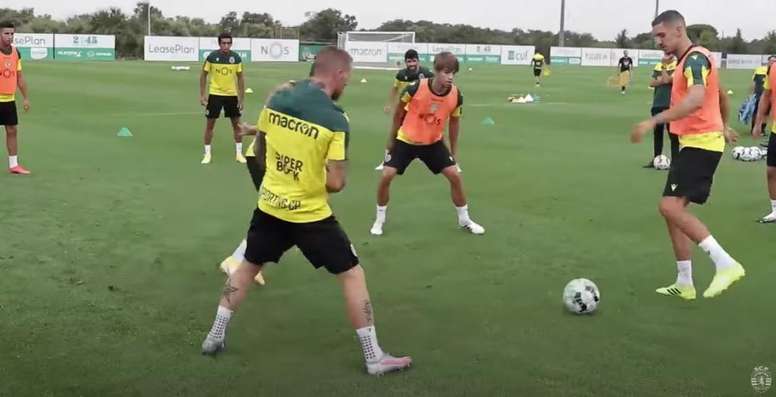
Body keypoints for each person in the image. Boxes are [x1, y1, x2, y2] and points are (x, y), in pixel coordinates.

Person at [200, 47, 412, 376]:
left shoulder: (278, 98)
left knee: (245, 268)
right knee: (352, 274)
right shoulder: (335, 118)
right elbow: (337, 182)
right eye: (349, 77)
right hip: (311, 216)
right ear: (339, 74)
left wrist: (279, 178)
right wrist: (312, 178)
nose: (349, 83)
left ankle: (214, 336)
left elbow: (260, 151)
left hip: (270, 205)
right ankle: (373, 357)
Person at [630, 10, 744, 300]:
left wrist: (653, 120)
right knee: (673, 213)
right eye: (656, 36)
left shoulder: (695, 58)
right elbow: (718, 97)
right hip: (690, 143)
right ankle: (685, 282)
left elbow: (695, 100)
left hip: (701, 144)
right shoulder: (685, 62)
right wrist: (725, 125)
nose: (658, 41)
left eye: (662, 35)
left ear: (679, 30)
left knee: (670, 207)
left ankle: (726, 264)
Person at [370, 52, 485, 236]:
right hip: (405, 140)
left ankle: (464, 219)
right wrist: (391, 141)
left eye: (453, 73)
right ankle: (380, 219)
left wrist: (454, 153)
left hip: (433, 143)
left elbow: (455, 123)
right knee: (386, 176)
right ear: (436, 71)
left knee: (455, 176)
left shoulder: (456, 95)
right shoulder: (414, 88)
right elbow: (398, 114)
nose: (450, 77)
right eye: (446, 72)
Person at [216, 83, 300, 286]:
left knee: (281, 218)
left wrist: (249, 130)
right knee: (279, 217)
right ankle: (238, 261)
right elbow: (271, 129)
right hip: (261, 160)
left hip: (266, 161)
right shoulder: (289, 103)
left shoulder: (290, 103)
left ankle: (248, 262)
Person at [376, 49, 434, 171]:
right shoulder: (401, 75)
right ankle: (386, 160)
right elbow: (394, 89)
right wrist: (389, 104)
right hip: (404, 110)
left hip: (421, 111)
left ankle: (425, 158)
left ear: (418, 61)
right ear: (405, 62)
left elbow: (434, 89)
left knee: (426, 134)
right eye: (409, 61)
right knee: (394, 134)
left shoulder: (427, 73)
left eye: (414, 61)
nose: (412, 64)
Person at [199, 32, 246, 165]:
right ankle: (207, 153)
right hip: (215, 94)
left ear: (231, 44)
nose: (226, 45)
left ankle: (239, 153)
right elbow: (203, 75)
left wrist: (241, 99)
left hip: (232, 95)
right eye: (223, 43)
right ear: (219, 43)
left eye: (228, 43)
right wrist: (202, 95)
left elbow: (241, 77)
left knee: (237, 125)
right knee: (210, 125)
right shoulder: (212, 57)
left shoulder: (236, 58)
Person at [0, 21, 31, 175]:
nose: (10, 36)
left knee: (12, 130)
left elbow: (19, 77)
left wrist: (25, 98)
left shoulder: (16, 52)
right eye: (6, 33)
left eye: (12, 34)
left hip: (8, 100)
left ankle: (14, 165)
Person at [752, 55, 776, 223]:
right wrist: (758, 122)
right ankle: (775, 210)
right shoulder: (773, 69)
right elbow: (766, 96)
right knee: (771, 171)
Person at [644, 54, 679, 167]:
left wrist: (663, 70)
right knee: (657, 133)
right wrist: (662, 80)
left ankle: (676, 162)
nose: (666, 55)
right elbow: (651, 83)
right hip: (657, 104)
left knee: (672, 134)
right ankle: (656, 159)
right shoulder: (658, 65)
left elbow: (667, 80)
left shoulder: (677, 65)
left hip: (671, 104)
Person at [751, 56, 775, 140]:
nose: (773, 62)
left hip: (768, 97)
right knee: (757, 112)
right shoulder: (767, 70)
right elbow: (754, 82)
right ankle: (756, 127)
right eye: (771, 61)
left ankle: (763, 129)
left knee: (766, 114)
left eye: (774, 60)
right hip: (759, 95)